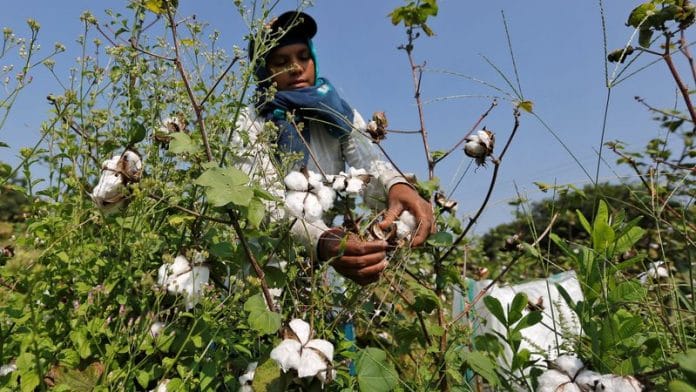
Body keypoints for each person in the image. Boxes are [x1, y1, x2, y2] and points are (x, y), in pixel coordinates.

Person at [243, 11, 434, 285]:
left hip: (325, 270)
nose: (296, 68)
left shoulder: (338, 113)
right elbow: (261, 205)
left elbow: (367, 164)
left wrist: (396, 186)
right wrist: (320, 239)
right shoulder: (251, 121)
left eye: (303, 56)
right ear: (264, 71)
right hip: (264, 269)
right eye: (281, 61)